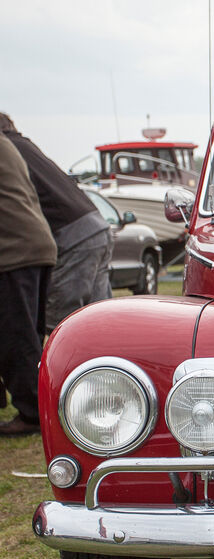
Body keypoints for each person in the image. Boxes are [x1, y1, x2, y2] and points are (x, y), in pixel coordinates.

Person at [0, 113, 113, 331]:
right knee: (99, 321)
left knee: (62, 328)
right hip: (97, 226)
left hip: (71, 237)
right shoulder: (26, 146)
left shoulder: (9, 150)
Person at [0, 133, 58, 435]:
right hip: (34, 244)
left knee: (15, 336)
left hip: (12, 250)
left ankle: (33, 414)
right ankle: (38, 406)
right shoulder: (6, 143)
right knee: (29, 337)